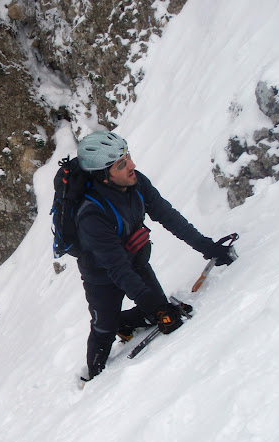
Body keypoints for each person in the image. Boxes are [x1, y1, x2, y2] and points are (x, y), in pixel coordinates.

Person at [75, 131, 235, 380]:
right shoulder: (91, 215)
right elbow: (116, 268)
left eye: (128, 156)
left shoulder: (136, 183)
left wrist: (208, 247)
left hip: (136, 261)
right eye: (121, 164)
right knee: (103, 329)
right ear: (103, 177)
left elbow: (168, 217)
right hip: (103, 278)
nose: (132, 165)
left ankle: (124, 322)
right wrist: (156, 306)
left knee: (158, 314)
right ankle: (93, 379)